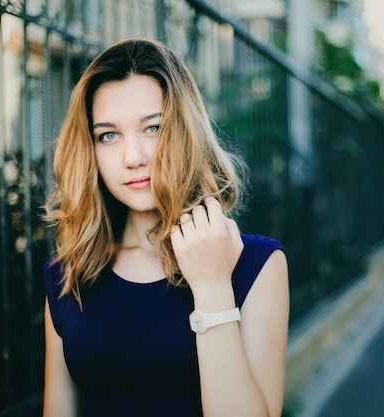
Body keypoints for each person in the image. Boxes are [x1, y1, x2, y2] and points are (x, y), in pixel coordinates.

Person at [42, 38, 289, 417]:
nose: (133, 158)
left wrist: (212, 287)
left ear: (185, 131)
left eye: (153, 128)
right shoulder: (68, 273)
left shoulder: (257, 264)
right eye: (108, 135)